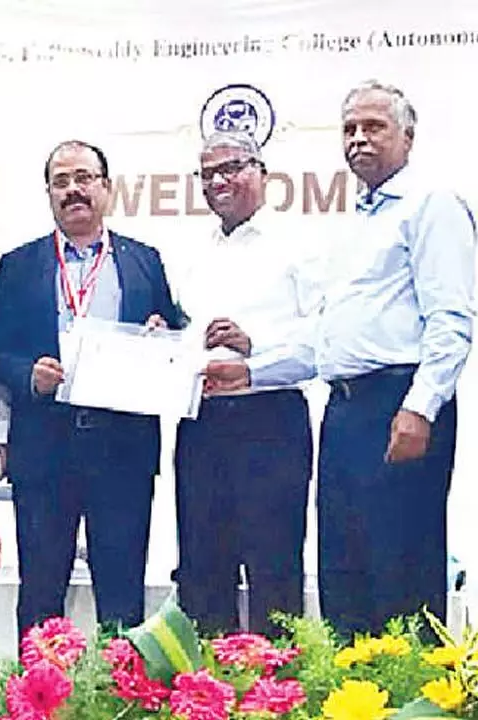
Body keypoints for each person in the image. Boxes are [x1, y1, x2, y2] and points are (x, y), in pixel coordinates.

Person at [206, 81, 475, 636]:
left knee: (401, 576)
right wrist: (252, 372)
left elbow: (453, 321)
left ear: (408, 135)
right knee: (343, 577)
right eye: (350, 129)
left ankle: (415, 703)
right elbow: (326, 340)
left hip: (397, 407)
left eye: (374, 127)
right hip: (344, 412)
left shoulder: (432, 205)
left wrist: (420, 408)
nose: (359, 140)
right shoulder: (353, 223)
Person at [0, 140, 183, 638]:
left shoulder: (145, 260)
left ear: (107, 187)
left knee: (122, 597)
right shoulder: (18, 264)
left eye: (84, 178)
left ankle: (118, 706)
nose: (73, 190)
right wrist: (28, 374)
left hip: (123, 449)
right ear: (48, 193)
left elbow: (173, 331)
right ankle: (38, 706)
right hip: (45, 449)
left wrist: (165, 333)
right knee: (40, 594)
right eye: (61, 181)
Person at [171, 131, 320, 636]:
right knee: (201, 568)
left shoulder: (300, 247)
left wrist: (254, 350)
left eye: (231, 168)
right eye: (208, 173)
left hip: (270, 418)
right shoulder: (191, 253)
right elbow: (185, 336)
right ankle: (204, 702)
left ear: (262, 171)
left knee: (273, 568)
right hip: (202, 422)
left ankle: (273, 705)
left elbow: (322, 343)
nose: (219, 181)